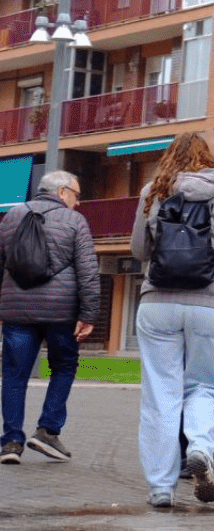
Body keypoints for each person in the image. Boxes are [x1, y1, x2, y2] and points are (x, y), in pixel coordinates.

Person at [130, 133, 214, 507]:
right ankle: (202, 447)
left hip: (158, 303)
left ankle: (161, 487)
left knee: (161, 395)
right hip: (210, 304)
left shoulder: (152, 191)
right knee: (205, 385)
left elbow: (139, 249)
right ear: (207, 159)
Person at [0, 171, 98, 466]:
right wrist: (89, 314)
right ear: (62, 191)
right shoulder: (74, 221)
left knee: (14, 374)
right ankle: (47, 431)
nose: (78, 202)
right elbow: (88, 271)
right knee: (64, 366)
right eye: (76, 195)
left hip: (17, 310)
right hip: (61, 311)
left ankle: (11, 442)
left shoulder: (12, 217)